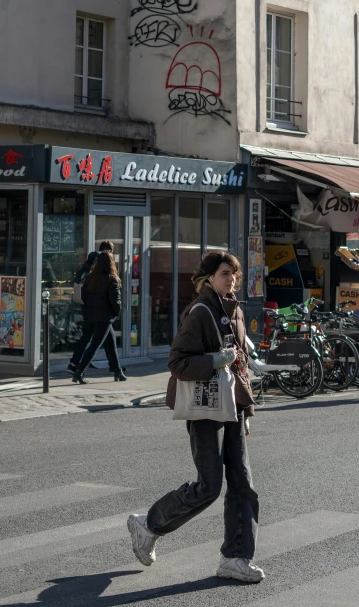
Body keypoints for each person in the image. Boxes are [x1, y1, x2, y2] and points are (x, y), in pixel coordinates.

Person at [126, 250, 264, 584]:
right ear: (207, 278)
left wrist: (246, 410)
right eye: (223, 274)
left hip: (231, 407)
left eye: (234, 273)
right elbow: (178, 362)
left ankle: (235, 558)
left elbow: (240, 364)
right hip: (205, 409)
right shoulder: (200, 312)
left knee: (243, 485)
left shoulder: (234, 310)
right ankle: (149, 524)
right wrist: (215, 360)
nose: (230, 279)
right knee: (209, 485)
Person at [72, 252, 127, 384]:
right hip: (105, 317)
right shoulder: (112, 278)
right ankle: (79, 372)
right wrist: (115, 313)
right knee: (95, 345)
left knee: (111, 343)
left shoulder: (91, 277)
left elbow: (83, 296)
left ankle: (117, 371)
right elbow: (115, 301)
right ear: (111, 263)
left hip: (92, 315)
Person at [66, 251, 98, 375]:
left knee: (88, 337)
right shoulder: (91, 274)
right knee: (92, 339)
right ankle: (76, 366)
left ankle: (75, 363)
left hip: (84, 307)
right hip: (92, 309)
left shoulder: (82, 271)